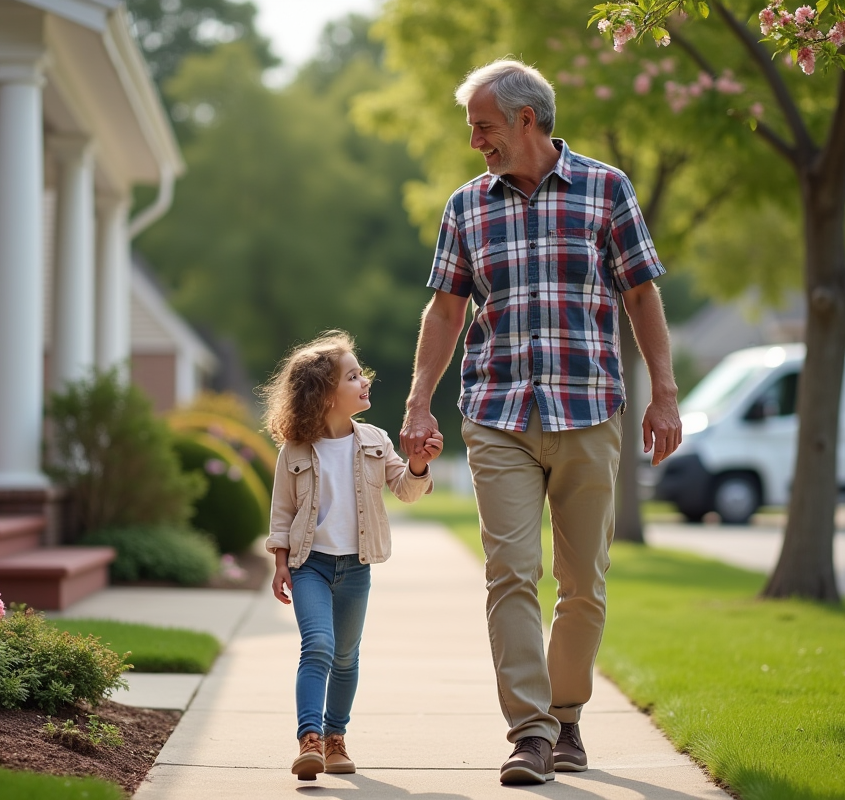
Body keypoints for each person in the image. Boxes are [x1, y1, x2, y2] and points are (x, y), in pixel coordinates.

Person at [400, 59, 683, 786]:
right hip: (496, 413)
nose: (476, 143)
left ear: (528, 121)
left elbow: (642, 296)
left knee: (584, 581)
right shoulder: (466, 205)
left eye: (484, 128)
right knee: (511, 574)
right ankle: (529, 733)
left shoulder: (606, 189)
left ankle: (567, 716)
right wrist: (418, 399)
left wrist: (664, 392)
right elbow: (445, 311)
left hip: (588, 408)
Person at [262, 330, 444, 782]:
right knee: (318, 646)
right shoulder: (296, 451)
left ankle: (334, 738)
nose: (365, 382)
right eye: (352, 376)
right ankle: (308, 740)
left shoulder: (376, 440)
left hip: (355, 566)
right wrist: (281, 562)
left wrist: (419, 464)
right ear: (324, 394)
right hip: (310, 566)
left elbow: (406, 489)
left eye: (361, 374)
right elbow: (282, 512)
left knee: (346, 656)